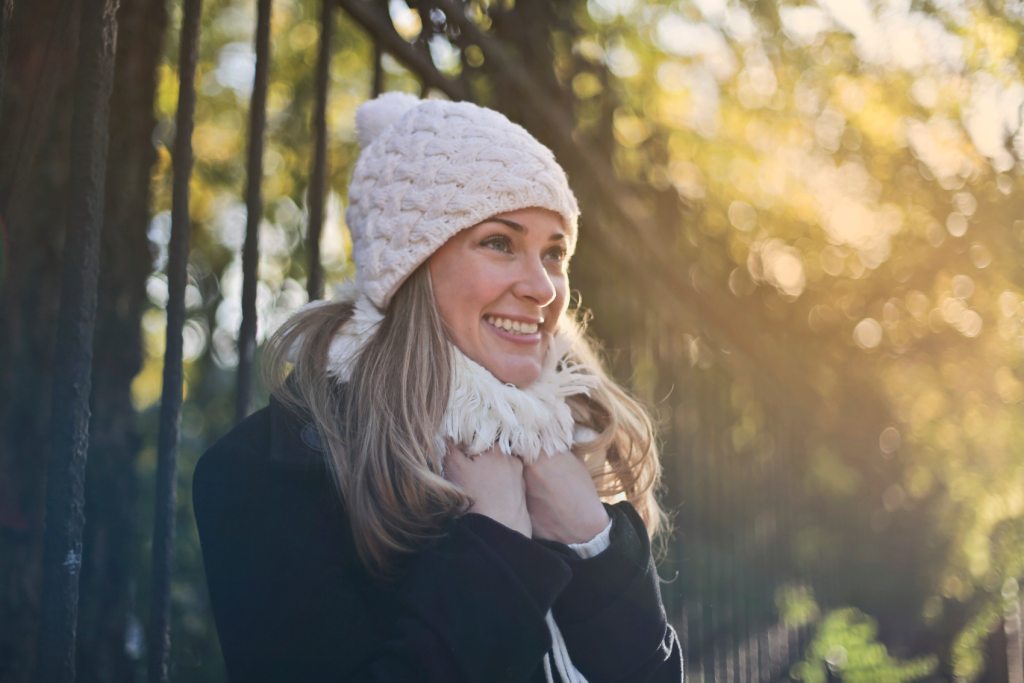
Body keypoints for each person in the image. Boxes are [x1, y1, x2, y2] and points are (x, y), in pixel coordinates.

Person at [193, 92, 683, 682]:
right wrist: (496, 544)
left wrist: (591, 543)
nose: (545, 288)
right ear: (410, 268)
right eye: (500, 243)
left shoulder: (571, 440)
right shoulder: (270, 471)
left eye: (553, 253)